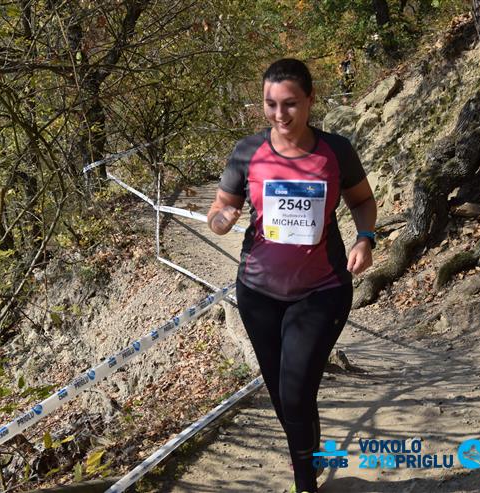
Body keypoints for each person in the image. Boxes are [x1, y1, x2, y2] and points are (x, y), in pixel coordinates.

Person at [207, 58, 376, 493]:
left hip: (321, 291)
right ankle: (310, 452)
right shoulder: (248, 151)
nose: (279, 114)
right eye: (270, 104)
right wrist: (222, 219)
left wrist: (365, 239)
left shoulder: (335, 151)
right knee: (284, 396)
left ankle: (304, 482)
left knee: (297, 391)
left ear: (310, 100)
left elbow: (362, 200)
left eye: (290, 104)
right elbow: (219, 209)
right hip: (258, 293)